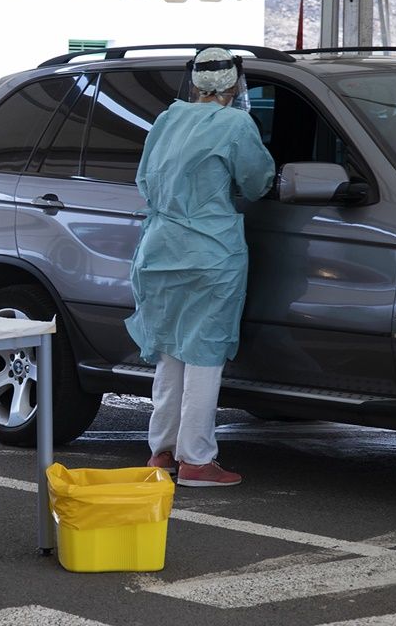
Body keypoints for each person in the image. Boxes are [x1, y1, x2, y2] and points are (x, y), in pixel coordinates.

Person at [124, 47, 275, 488]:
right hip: (209, 253)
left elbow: (145, 180)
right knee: (204, 355)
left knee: (170, 353)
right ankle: (197, 460)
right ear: (233, 85)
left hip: (159, 250)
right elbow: (257, 182)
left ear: (193, 83)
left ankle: (163, 451)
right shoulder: (235, 124)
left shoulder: (167, 119)